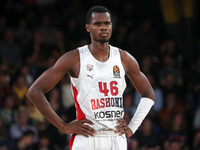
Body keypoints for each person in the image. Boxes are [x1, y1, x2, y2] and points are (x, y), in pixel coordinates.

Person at [26, 6, 155, 150]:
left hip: (116, 138)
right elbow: (34, 91)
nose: (103, 27)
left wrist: (133, 126)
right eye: (97, 24)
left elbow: (149, 94)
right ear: (88, 27)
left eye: (107, 23)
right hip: (88, 137)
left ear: (111, 26)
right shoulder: (75, 58)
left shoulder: (124, 58)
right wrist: (63, 126)